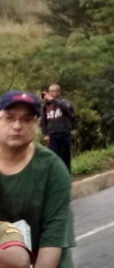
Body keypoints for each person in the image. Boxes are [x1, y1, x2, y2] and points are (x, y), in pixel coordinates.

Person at [0, 90, 75, 267]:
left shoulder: (53, 170)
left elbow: (53, 239)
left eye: (26, 119)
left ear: (37, 124)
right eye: (9, 118)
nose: (17, 126)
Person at [40, 84, 75, 172]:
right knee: (53, 158)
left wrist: (53, 100)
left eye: (53, 91)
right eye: (50, 91)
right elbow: (43, 121)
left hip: (64, 134)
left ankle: (67, 177)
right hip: (53, 136)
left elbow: (67, 108)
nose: (51, 93)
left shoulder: (64, 102)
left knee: (65, 157)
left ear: (58, 92)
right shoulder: (46, 106)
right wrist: (45, 134)